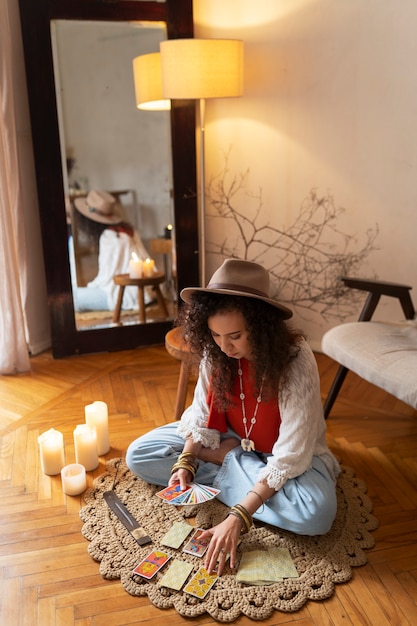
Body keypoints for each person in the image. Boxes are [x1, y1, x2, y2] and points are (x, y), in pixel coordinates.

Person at [126, 259, 340, 575]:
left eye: (235, 336)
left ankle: (227, 468)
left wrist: (238, 516)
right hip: (226, 440)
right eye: (214, 335)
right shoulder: (217, 351)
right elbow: (200, 415)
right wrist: (186, 460)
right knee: (139, 454)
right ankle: (236, 468)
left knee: (316, 514)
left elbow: (292, 454)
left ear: (260, 325)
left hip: (280, 456)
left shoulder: (295, 359)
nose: (225, 347)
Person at [69, 189, 152, 312]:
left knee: (71, 297)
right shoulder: (127, 231)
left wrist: (91, 287)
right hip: (143, 291)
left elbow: (106, 278)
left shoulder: (109, 237)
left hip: (121, 295)